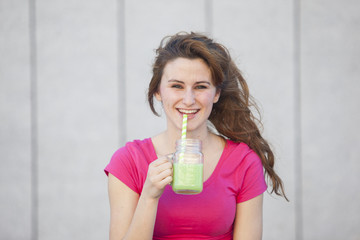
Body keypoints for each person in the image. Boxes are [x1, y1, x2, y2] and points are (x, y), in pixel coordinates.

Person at [105, 32, 287, 240]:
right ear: (157, 91)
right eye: (176, 86)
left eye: (200, 87)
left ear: (216, 93)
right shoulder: (128, 161)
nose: (189, 100)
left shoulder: (244, 162)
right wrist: (149, 196)